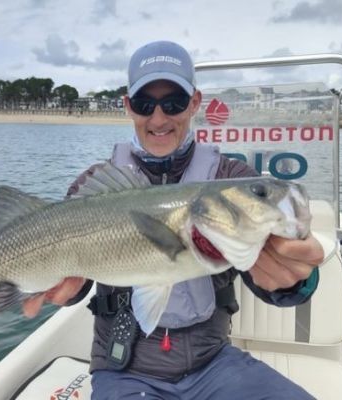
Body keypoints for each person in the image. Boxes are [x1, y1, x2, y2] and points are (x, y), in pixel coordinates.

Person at [23, 40, 324, 399]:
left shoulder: (231, 176)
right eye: (145, 104)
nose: (159, 118)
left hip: (214, 363)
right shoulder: (94, 187)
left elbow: (279, 281)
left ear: (195, 102)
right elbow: (78, 283)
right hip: (124, 372)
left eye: (174, 102)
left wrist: (296, 282)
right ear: (128, 107)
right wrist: (65, 292)